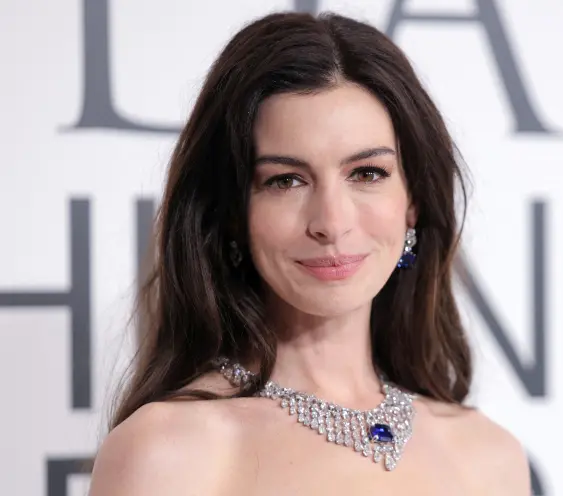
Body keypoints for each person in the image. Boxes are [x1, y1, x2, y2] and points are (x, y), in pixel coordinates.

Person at [89, 10, 531, 495]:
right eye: (286, 180)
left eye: (367, 173)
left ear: (414, 201)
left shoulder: (489, 456)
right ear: (232, 214)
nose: (332, 223)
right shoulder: (168, 451)